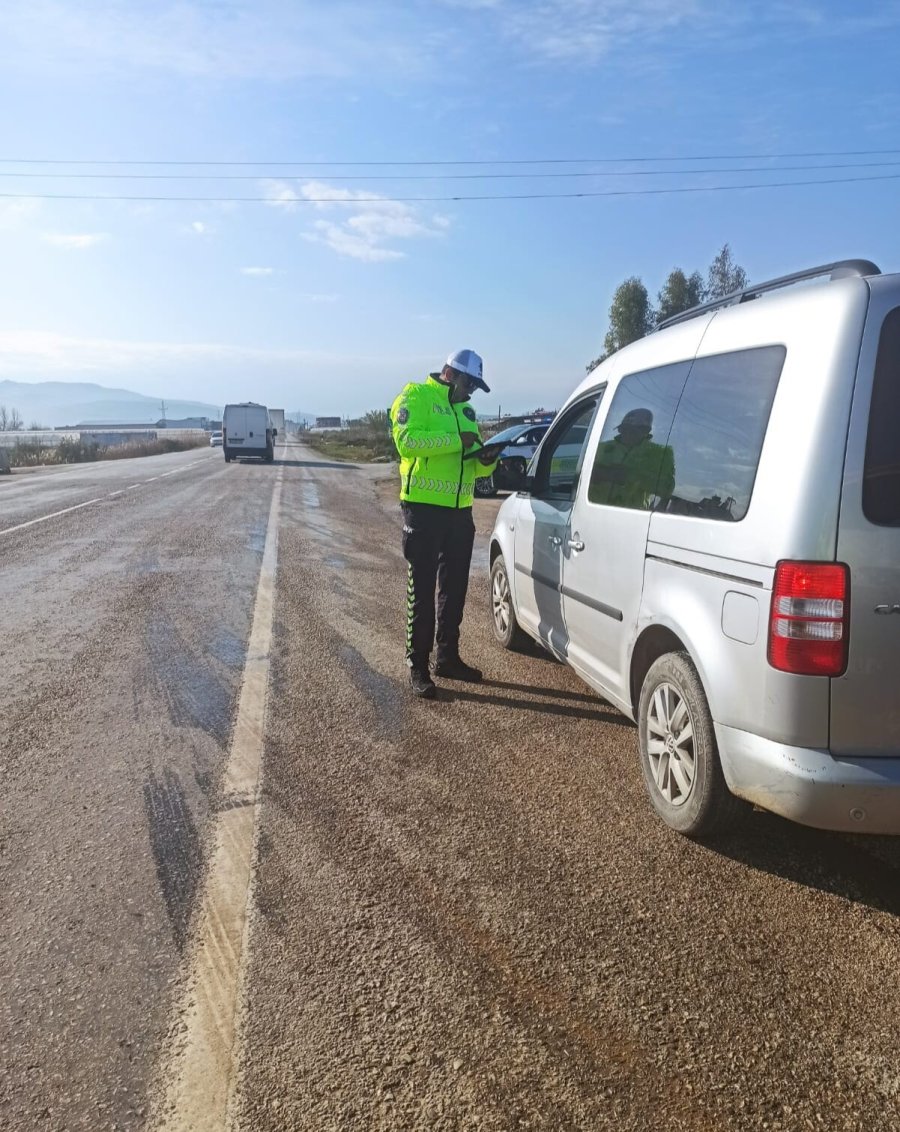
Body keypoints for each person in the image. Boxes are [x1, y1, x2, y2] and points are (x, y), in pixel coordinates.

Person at [390, 349, 499, 698]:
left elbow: (473, 464)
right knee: (421, 591)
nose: (472, 394)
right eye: (470, 384)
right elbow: (406, 443)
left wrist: (487, 460)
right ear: (451, 374)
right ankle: (418, 666)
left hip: (459, 512)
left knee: (454, 591)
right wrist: (455, 441)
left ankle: (448, 657)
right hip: (422, 510)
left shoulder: (466, 410)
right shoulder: (415, 396)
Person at [588, 407, 675, 509]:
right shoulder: (601, 448)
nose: (627, 434)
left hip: (633, 517)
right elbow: (582, 473)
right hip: (594, 510)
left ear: (646, 431)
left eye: (633, 431)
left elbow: (667, 489)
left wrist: (631, 475)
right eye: (624, 429)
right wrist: (605, 473)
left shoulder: (660, 453)